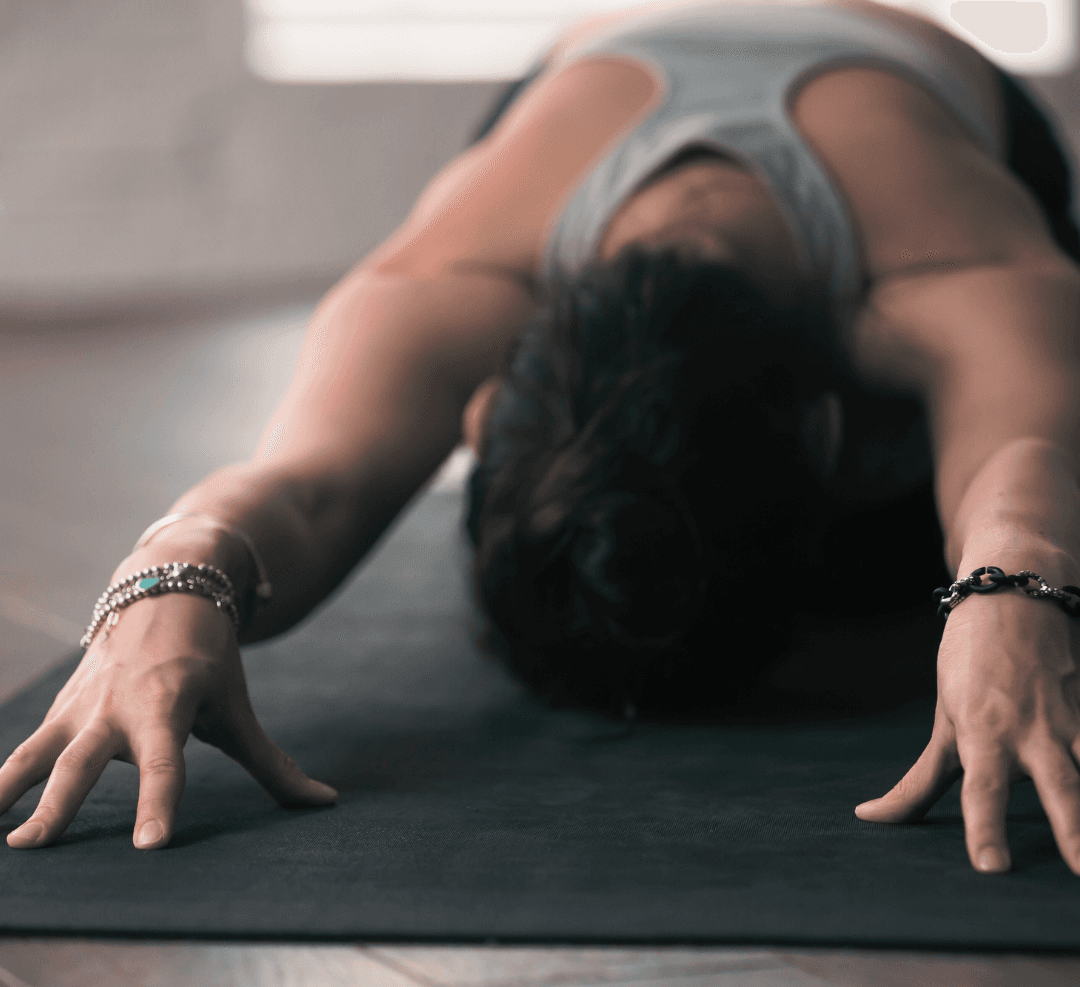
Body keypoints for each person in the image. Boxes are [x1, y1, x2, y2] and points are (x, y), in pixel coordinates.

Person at [2, 0, 1079, 878]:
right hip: (597, 76)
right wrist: (169, 577)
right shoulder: (455, 277)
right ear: (479, 409)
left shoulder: (963, 262)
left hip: (927, 80)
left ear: (837, 432)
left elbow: (1025, 453)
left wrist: (1012, 588)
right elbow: (308, 484)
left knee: (891, 562)